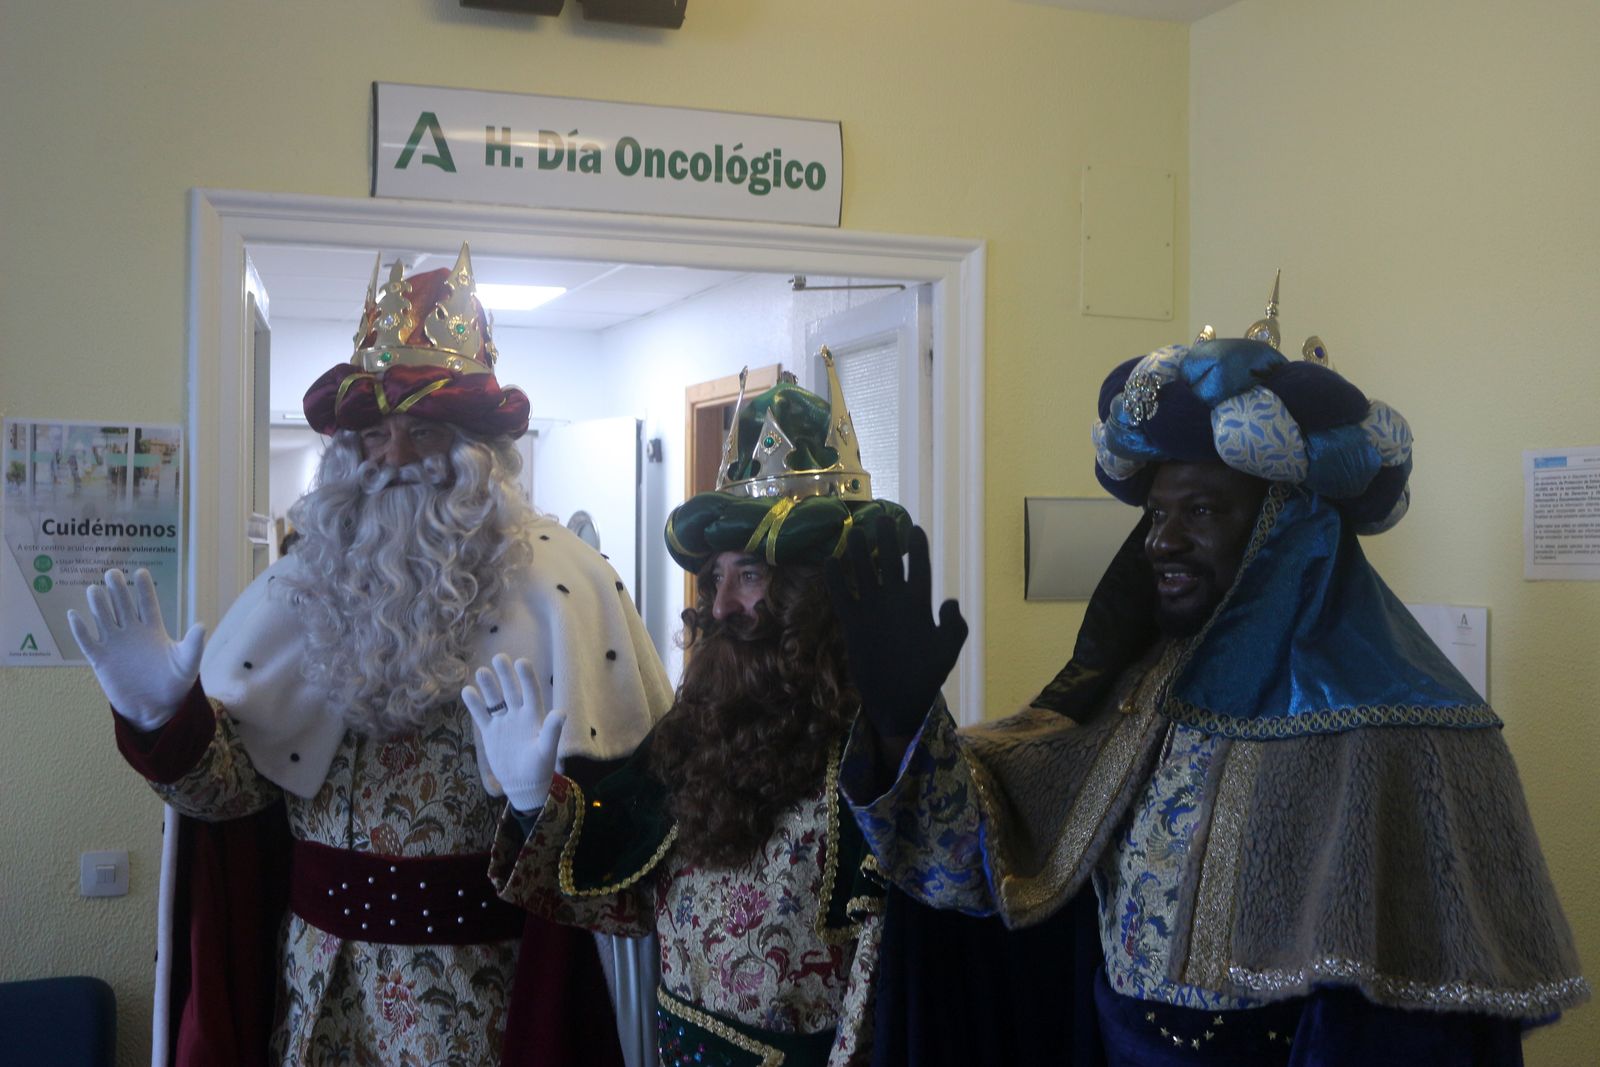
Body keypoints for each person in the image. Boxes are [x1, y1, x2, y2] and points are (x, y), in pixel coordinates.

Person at [829, 295, 1588, 1065]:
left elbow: (1424, 1027)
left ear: (1283, 525)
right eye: (1156, 512)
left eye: (1199, 509)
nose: (1161, 540)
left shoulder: (1410, 729)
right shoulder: (1139, 694)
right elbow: (984, 862)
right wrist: (901, 722)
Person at [68, 245, 673, 1066]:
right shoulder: (303, 582)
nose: (389, 456)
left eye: (420, 431)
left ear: (476, 450)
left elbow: (629, 860)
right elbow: (235, 804)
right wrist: (161, 722)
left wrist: (542, 804)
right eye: (373, 433)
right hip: (316, 990)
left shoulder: (564, 584)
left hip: (480, 1003)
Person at [463, 360, 908, 1067]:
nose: (720, 606)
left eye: (751, 576)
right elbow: (622, 898)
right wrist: (529, 803)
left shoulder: (875, 756)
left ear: (814, 593)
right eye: (715, 577)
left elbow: (895, 990)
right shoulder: (700, 731)